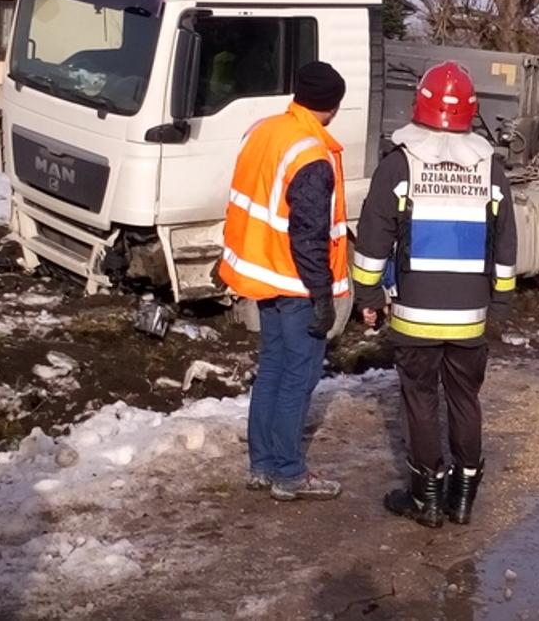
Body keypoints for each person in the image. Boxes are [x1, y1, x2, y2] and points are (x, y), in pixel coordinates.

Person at [351, 61, 518, 529]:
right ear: (472, 110)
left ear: (418, 105)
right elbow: (505, 244)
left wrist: (369, 295)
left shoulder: (398, 165)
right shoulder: (491, 171)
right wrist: (500, 304)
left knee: (420, 402)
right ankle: (463, 497)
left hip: (413, 315)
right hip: (471, 318)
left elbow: (373, 239)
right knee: (465, 401)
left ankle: (426, 497)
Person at [219, 62, 351, 501]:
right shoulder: (311, 155)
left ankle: (262, 465)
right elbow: (309, 235)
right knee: (298, 375)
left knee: (272, 368)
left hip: (261, 274)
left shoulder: (265, 130)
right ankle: (289, 473)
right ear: (332, 105)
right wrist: (322, 296)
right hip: (295, 282)